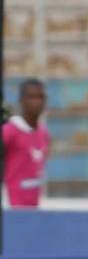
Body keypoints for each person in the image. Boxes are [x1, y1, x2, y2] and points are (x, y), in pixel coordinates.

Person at [2, 78, 49, 208]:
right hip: (11, 208)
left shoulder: (43, 133)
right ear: (22, 100)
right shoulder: (9, 131)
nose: (37, 102)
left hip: (34, 209)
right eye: (32, 97)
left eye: (40, 97)